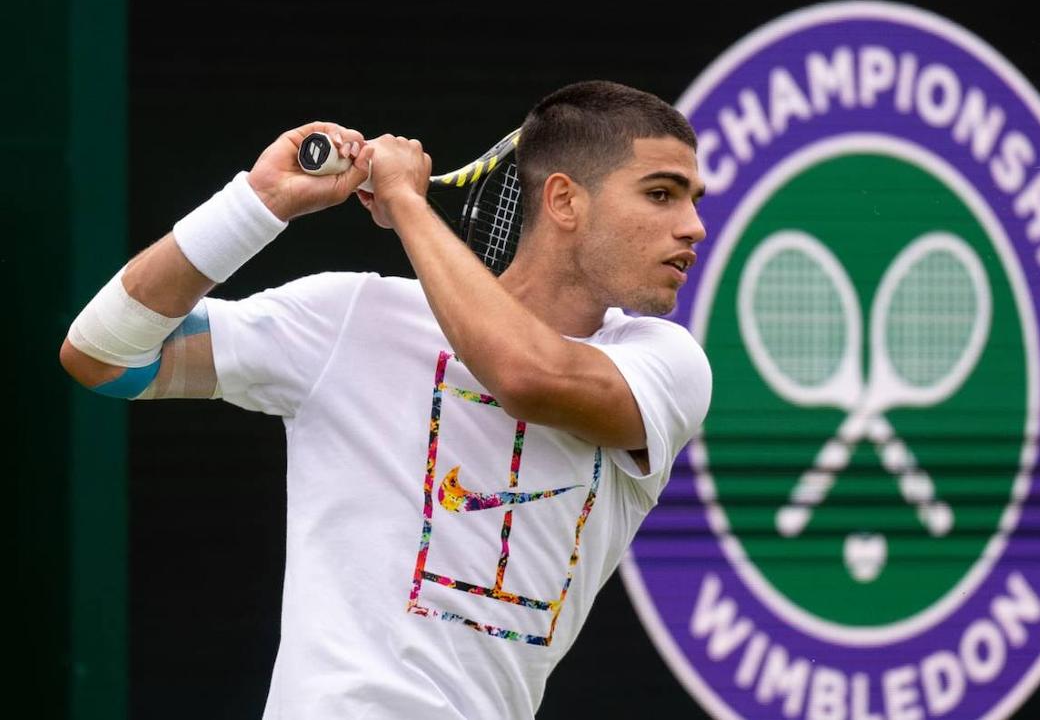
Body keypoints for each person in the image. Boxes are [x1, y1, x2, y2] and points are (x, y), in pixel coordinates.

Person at [60, 80, 712, 718]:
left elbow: (525, 376)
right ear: (566, 202)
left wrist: (407, 204)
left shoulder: (663, 363)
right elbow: (106, 356)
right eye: (661, 194)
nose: (694, 227)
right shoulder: (351, 315)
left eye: (693, 199)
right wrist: (257, 204)